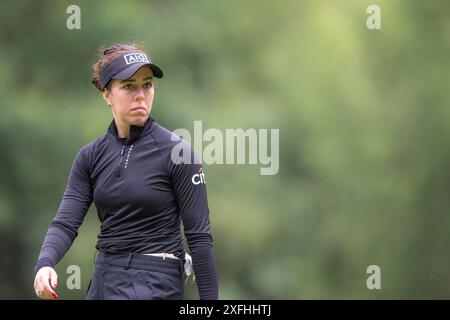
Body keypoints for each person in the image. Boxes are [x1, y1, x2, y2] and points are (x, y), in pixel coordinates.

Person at [33, 43, 218, 300]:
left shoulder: (179, 154)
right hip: (104, 278)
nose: (141, 94)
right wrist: (44, 264)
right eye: (129, 86)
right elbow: (66, 223)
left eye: (148, 84)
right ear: (107, 94)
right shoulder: (90, 156)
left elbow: (199, 238)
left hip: (155, 281)